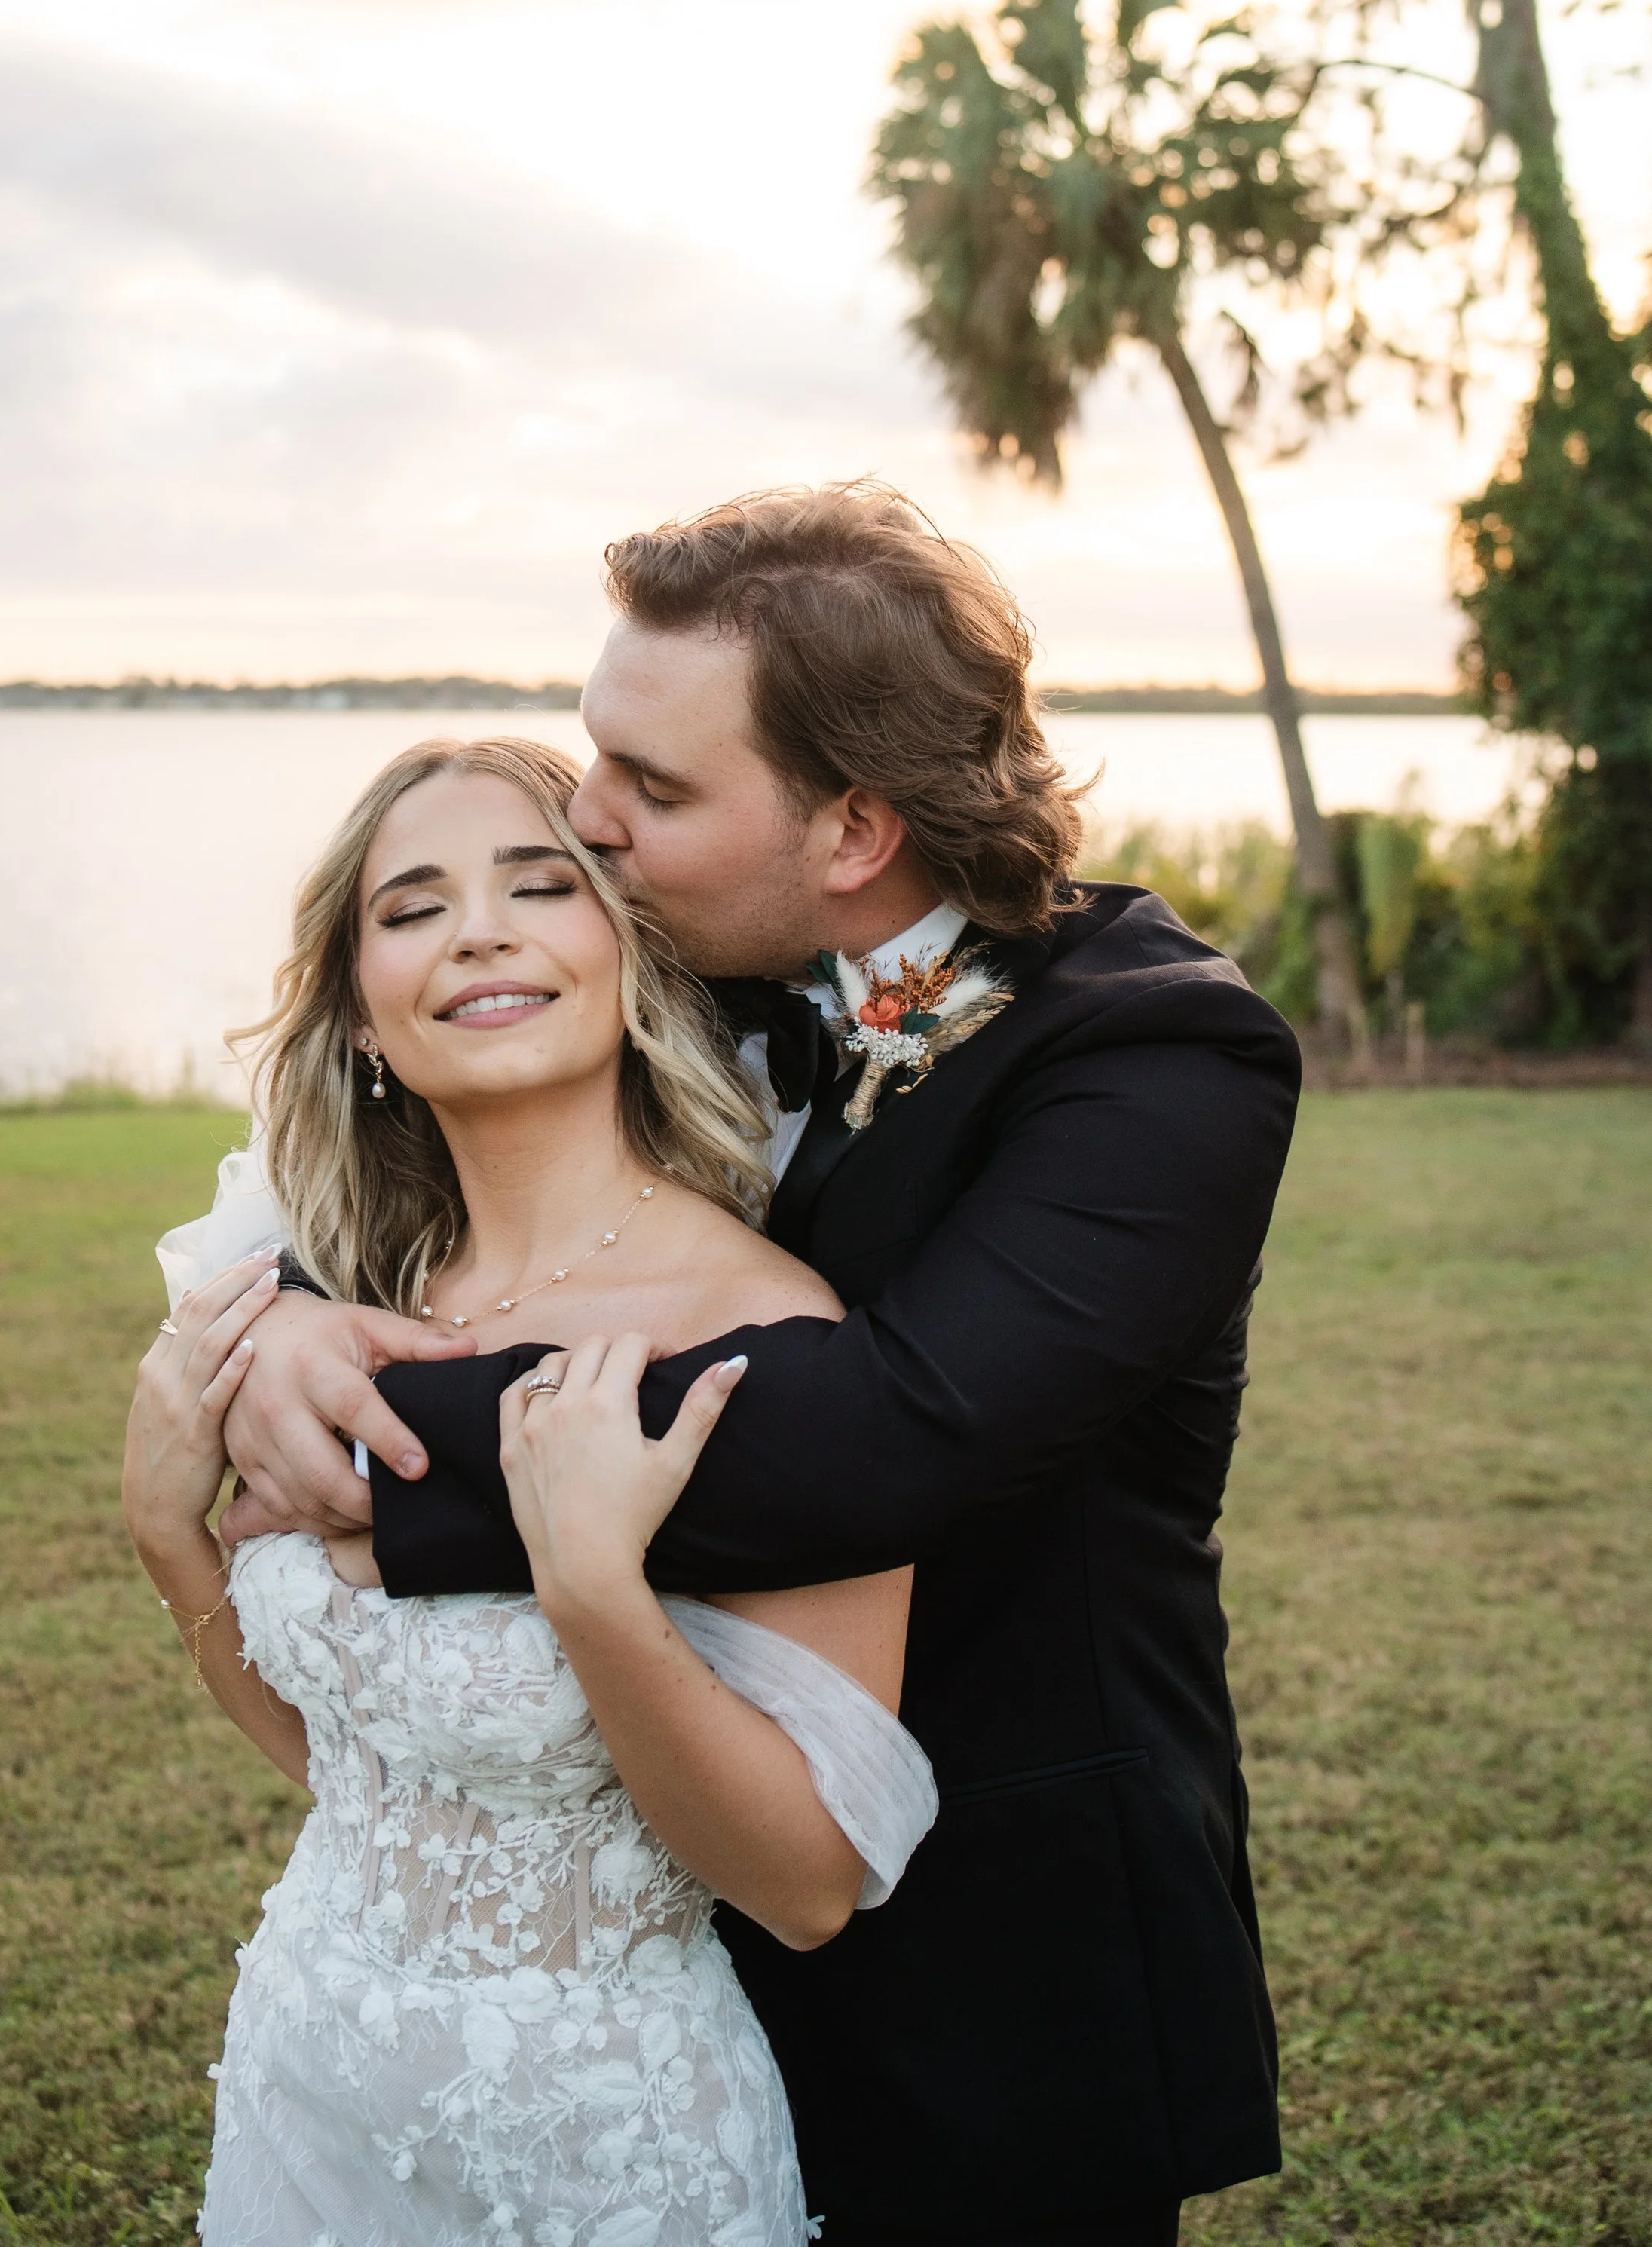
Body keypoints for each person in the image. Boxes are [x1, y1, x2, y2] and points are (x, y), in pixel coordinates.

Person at [220, 481, 1305, 2247]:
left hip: (992, 1950)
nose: (587, 825)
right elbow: (435, 1144)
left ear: (854, 826)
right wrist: (284, 1318)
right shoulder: (697, 956)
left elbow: (885, 1438)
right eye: (596, 759)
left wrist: (377, 1453)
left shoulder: (1159, 1065)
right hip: (656, 1909)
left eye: (649, 790)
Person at [123, 736, 938, 2247]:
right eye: (412, 906)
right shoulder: (340, 1309)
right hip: (310, 2084)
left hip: (603, 2146)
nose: (478, 931)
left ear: (625, 958)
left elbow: (808, 1885)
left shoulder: (767, 1338)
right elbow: (357, 1778)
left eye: (536, 885)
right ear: (363, 1014)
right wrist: (168, 1536)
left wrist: (593, 1595)